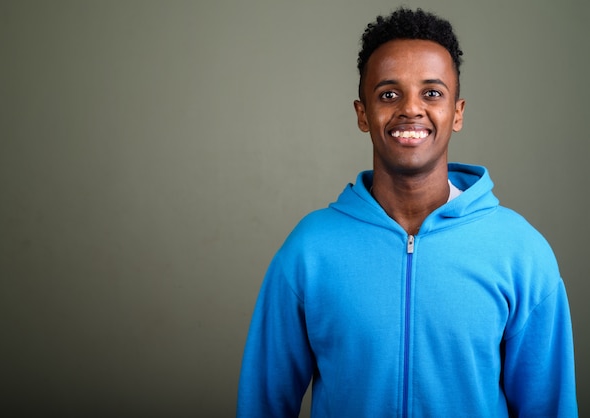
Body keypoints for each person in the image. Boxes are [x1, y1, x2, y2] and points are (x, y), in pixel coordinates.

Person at [236, 7, 578, 417]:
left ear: (458, 112)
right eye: (388, 94)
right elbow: (263, 405)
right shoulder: (309, 250)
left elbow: (549, 407)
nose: (410, 109)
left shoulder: (521, 252)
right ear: (363, 114)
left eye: (432, 93)